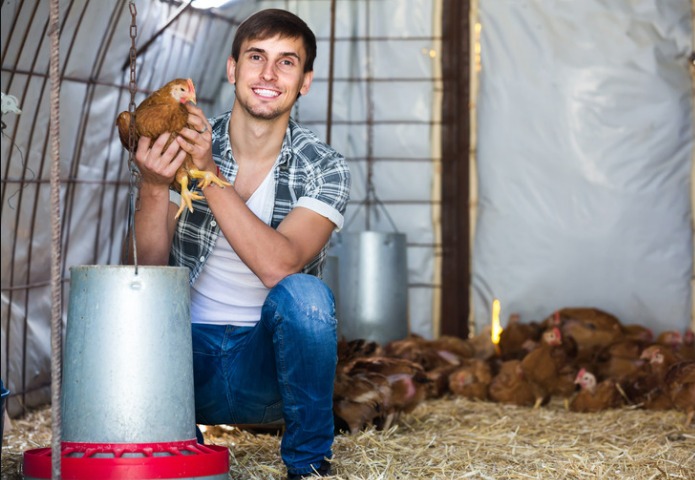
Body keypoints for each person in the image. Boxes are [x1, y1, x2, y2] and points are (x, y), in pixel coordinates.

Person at [131, 9, 351, 479]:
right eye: (256, 57)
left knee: (306, 296)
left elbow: (280, 266)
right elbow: (148, 272)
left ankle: (309, 466)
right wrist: (153, 185)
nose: (269, 75)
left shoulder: (325, 167)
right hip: (183, 363)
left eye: (287, 62)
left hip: (269, 369)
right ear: (232, 69)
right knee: (135, 305)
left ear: (305, 81)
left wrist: (208, 173)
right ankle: (177, 451)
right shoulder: (179, 137)